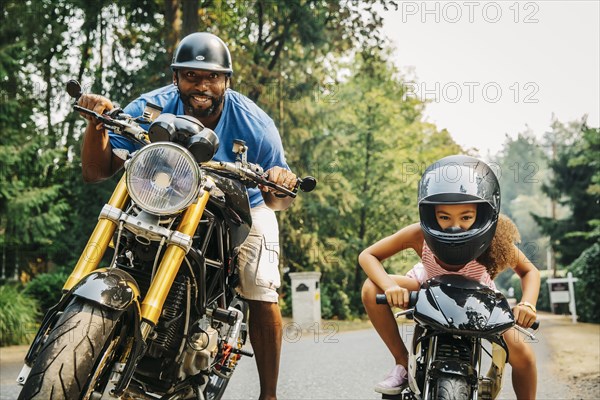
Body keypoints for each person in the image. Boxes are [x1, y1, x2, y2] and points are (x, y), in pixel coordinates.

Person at [78, 32, 296, 400]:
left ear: (226, 80)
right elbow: (96, 172)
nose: (202, 85)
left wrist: (279, 182)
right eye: (192, 76)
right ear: (176, 76)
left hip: (243, 204)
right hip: (164, 198)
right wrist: (95, 125)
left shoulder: (256, 125)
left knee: (259, 285)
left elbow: (279, 200)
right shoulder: (149, 108)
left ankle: (269, 394)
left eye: (212, 76)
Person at [359, 155, 540, 399]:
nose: (455, 226)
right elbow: (368, 255)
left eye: (466, 217)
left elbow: (529, 271)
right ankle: (402, 363)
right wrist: (389, 286)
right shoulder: (419, 234)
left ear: (483, 213)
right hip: (427, 285)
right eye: (444, 217)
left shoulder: (495, 238)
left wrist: (527, 303)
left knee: (524, 357)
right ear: (432, 214)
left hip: (481, 297)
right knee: (371, 288)